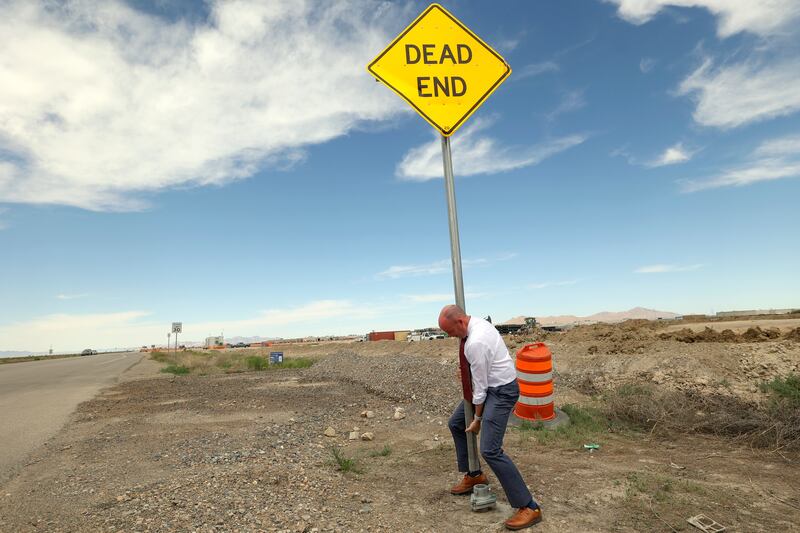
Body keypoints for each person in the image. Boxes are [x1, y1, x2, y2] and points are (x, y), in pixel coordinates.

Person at [439, 304, 542, 530]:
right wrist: (466, 374)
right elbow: (479, 379)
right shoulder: (475, 325)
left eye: (450, 332)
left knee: (490, 449)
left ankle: (529, 506)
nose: (450, 337)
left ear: (459, 322)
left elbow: (480, 389)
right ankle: (474, 474)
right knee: (456, 423)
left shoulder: (475, 341)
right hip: (490, 388)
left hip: (501, 392)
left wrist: (477, 419)